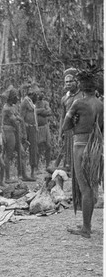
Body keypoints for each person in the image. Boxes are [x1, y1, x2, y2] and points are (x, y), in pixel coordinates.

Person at [62, 68, 103, 238]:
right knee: (91, 186)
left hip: (80, 146)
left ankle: (86, 228)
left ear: (81, 86)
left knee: (84, 187)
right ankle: (87, 224)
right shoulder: (101, 104)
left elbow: (66, 126)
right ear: (95, 88)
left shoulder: (78, 104)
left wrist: (76, 122)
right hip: (95, 148)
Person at [2, 85, 34, 182]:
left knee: (23, 153)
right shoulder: (7, 108)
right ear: (12, 97)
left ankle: (23, 175)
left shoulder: (13, 107)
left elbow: (18, 119)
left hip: (15, 131)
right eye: (16, 96)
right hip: (9, 132)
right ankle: (7, 178)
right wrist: (19, 121)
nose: (18, 98)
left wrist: (20, 123)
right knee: (9, 154)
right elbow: (15, 121)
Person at [59, 68, 84, 172]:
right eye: (66, 82)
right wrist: (60, 133)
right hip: (69, 131)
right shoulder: (64, 98)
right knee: (70, 157)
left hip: (81, 130)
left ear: (76, 82)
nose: (68, 84)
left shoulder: (82, 95)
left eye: (70, 81)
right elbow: (62, 117)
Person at [36, 89, 52, 169]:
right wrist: (42, 110)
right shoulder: (33, 103)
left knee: (48, 146)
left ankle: (48, 165)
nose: (41, 94)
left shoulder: (45, 103)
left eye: (43, 93)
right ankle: (36, 166)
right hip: (37, 128)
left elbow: (49, 112)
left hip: (45, 127)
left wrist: (39, 112)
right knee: (37, 147)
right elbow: (33, 112)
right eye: (40, 93)